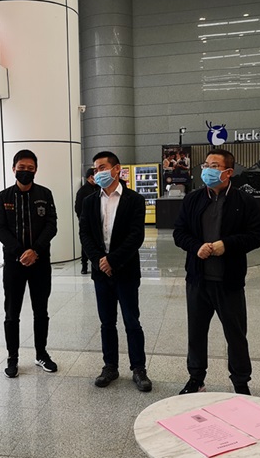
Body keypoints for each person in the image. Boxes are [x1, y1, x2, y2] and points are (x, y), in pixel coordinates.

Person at [173, 148, 260, 396]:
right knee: (196, 332)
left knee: (236, 335)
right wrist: (196, 247)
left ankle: (241, 382)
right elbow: (179, 232)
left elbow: (255, 236)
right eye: (206, 165)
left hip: (229, 281)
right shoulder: (193, 199)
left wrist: (228, 244)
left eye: (214, 166)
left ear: (228, 172)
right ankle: (196, 378)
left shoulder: (244, 201)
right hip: (198, 280)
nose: (207, 170)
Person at [79, 151, 152, 392]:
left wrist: (112, 260)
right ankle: (110, 366)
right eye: (95, 169)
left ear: (116, 169)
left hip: (126, 270)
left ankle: (138, 368)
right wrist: (99, 260)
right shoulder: (90, 201)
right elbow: (85, 234)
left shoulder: (134, 200)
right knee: (107, 322)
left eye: (102, 167)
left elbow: (136, 236)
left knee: (132, 321)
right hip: (101, 272)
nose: (98, 172)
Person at [0, 149, 58, 378]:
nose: (26, 172)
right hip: (14, 264)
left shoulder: (45, 194)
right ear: (13, 169)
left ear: (36, 170)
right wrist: (21, 252)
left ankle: (41, 354)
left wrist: (35, 250)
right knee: (12, 312)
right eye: (21, 168)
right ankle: (12, 357)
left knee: (41, 311)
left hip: (40, 262)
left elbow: (51, 225)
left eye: (30, 168)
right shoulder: (3, 197)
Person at [75, 167, 99, 274]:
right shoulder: (83, 191)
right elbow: (78, 208)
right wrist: (83, 220)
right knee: (86, 243)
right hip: (87, 222)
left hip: (98, 221)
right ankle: (84, 265)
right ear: (90, 177)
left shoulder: (99, 188)